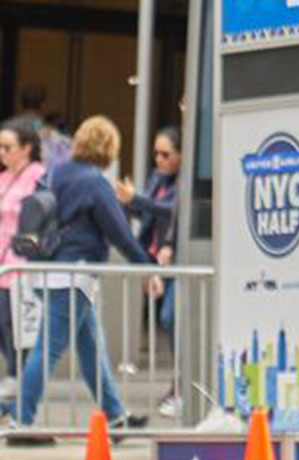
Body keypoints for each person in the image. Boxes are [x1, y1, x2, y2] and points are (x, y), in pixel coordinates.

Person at [1, 115, 157, 441]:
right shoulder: (94, 182)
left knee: (91, 348)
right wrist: (149, 268)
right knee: (47, 351)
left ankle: (115, 418)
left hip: (45, 270)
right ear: (108, 148)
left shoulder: (54, 173)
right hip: (72, 276)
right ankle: (20, 421)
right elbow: (121, 235)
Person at [114, 126, 182, 417]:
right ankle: (178, 384)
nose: (159, 159)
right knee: (167, 318)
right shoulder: (158, 178)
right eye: (156, 153)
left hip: (181, 258)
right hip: (157, 259)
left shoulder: (186, 181)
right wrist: (127, 204)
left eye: (166, 154)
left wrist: (136, 200)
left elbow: (170, 210)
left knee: (171, 316)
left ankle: (181, 384)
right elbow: (146, 213)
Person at [0, 119, 48, 399]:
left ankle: (17, 374)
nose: (3, 153)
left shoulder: (39, 177)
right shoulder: (3, 178)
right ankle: (14, 373)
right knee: (2, 321)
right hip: (3, 261)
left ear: (26, 148)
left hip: (23, 264)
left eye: (8, 147)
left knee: (14, 323)